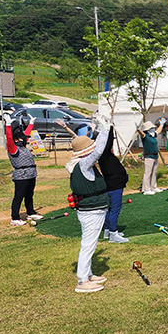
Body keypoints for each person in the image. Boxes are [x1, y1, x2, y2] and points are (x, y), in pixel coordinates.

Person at [58, 118, 129, 244]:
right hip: (101, 196)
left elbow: (81, 141)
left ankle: (108, 230)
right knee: (114, 209)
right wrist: (107, 128)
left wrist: (66, 128)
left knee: (111, 209)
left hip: (102, 192)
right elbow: (99, 147)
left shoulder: (80, 162)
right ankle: (112, 233)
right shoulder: (87, 161)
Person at [67, 114, 111, 293]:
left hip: (91, 210)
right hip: (91, 211)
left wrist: (100, 130)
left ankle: (88, 274)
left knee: (90, 244)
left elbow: (97, 150)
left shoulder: (79, 164)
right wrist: (105, 130)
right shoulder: (83, 165)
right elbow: (99, 150)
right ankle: (82, 281)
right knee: (88, 245)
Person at [3, 113, 40, 226]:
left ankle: (31, 212)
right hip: (21, 175)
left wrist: (31, 124)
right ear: (16, 139)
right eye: (21, 139)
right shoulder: (13, 148)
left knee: (29, 195)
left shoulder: (22, 147)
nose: (24, 140)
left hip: (30, 174)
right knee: (19, 197)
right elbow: (9, 138)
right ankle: (15, 218)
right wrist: (8, 124)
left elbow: (26, 134)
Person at [138, 120, 164, 195]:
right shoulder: (146, 136)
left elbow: (158, 131)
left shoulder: (152, 135)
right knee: (148, 173)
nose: (153, 129)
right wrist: (138, 129)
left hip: (155, 155)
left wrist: (161, 125)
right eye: (151, 128)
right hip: (149, 156)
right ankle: (146, 189)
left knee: (154, 172)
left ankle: (153, 186)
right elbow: (141, 134)